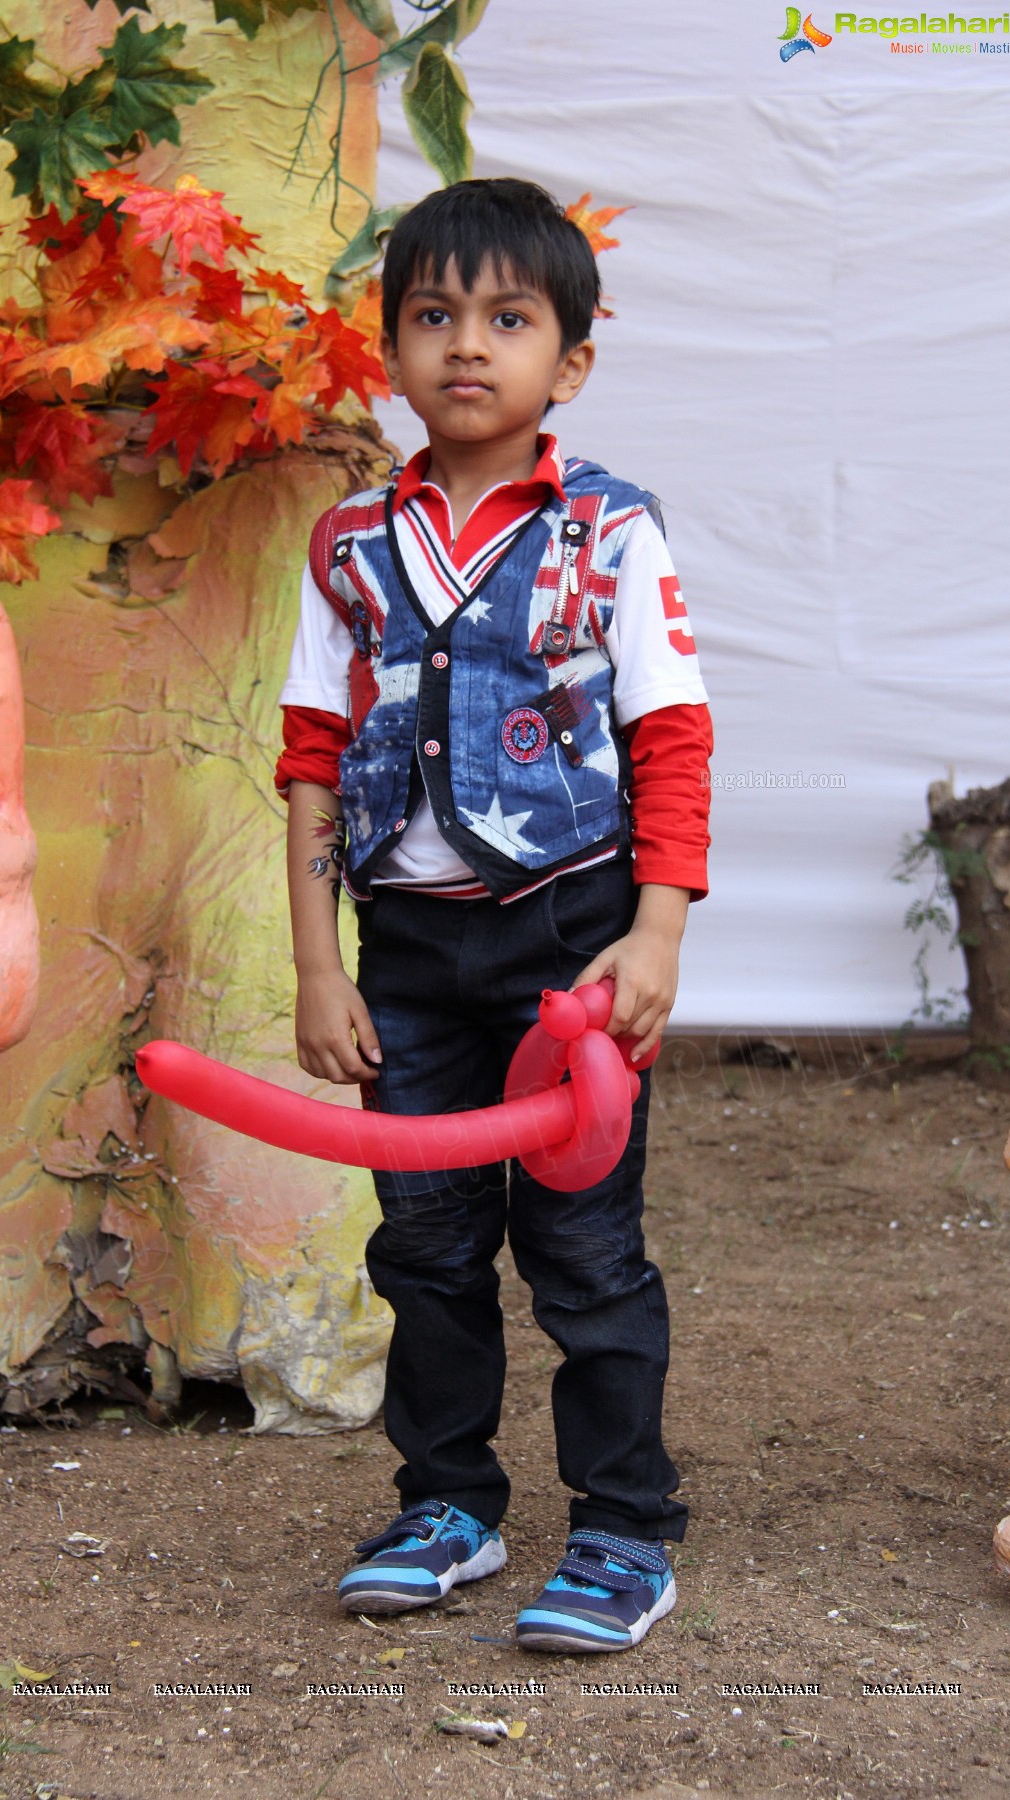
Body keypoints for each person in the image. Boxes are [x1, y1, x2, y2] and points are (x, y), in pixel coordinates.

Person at [274, 178, 712, 1654]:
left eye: (508, 319)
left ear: (569, 363)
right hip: (406, 953)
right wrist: (319, 968)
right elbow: (311, 762)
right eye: (434, 315)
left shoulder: (610, 532)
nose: (469, 345)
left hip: (569, 944)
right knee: (426, 1241)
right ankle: (447, 1501)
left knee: (586, 1253)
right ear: (392, 346)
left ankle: (620, 1529)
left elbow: (671, 737)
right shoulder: (349, 544)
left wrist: (653, 935)